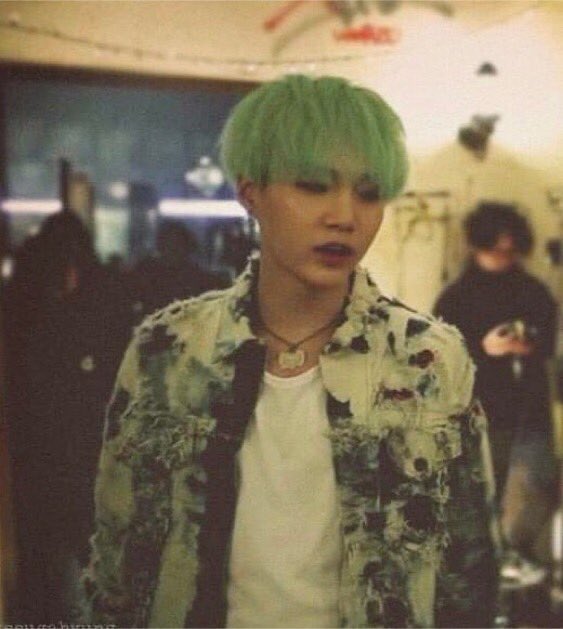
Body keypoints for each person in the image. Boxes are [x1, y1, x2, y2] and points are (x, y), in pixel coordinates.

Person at [82, 75, 497, 628]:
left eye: (368, 193)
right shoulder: (171, 351)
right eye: (313, 186)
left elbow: (469, 574)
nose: (344, 215)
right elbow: (119, 560)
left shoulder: (427, 360)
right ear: (250, 193)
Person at [434, 202, 557, 501]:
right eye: (496, 249)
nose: (504, 255)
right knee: (480, 496)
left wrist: (530, 345)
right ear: (478, 245)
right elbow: (439, 359)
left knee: (532, 500)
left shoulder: (534, 291)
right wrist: (483, 349)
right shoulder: (455, 298)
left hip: (531, 411)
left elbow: (549, 343)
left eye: (510, 250)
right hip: (479, 413)